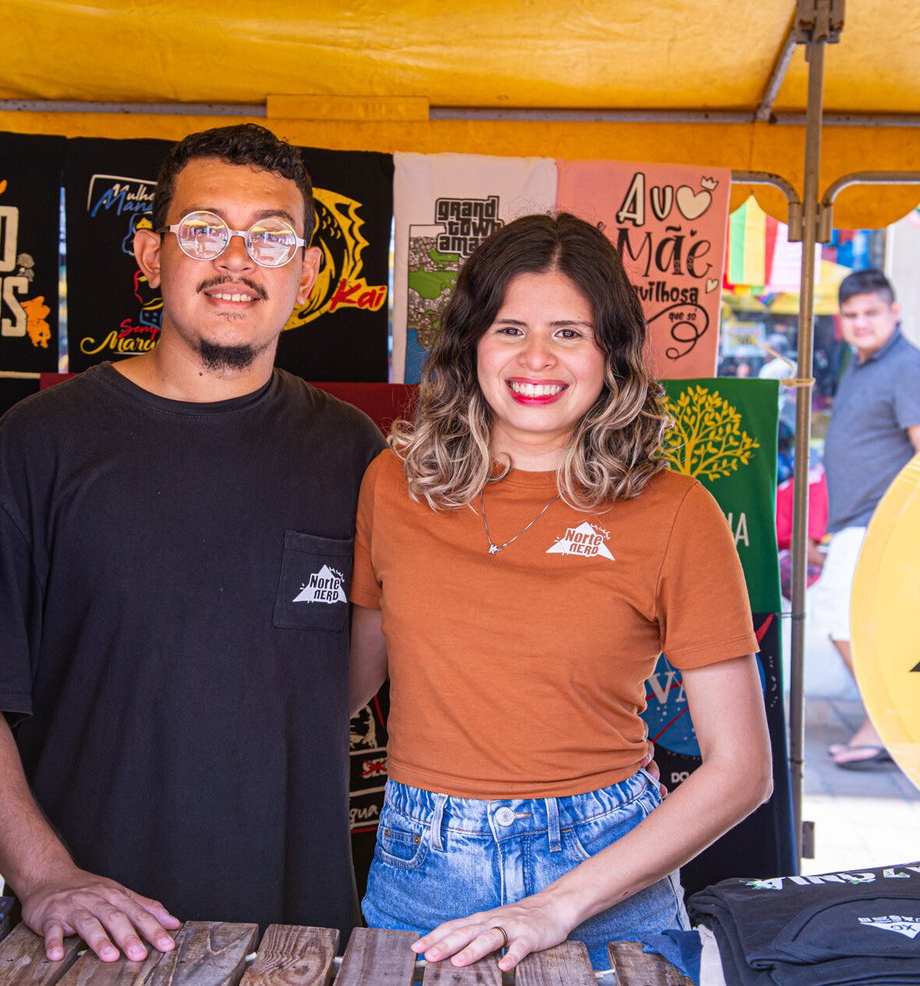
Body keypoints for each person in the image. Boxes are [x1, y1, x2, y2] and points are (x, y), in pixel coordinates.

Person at [0, 124, 384, 964]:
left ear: (304, 273)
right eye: (205, 230)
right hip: (96, 945)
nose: (237, 260)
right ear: (152, 256)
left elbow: (343, 678)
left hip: (296, 939)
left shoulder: (354, 452)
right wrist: (47, 875)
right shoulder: (40, 445)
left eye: (270, 237)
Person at [347, 213, 772, 972]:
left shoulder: (676, 510)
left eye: (569, 333)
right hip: (424, 861)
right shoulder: (393, 484)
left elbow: (743, 769)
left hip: (607, 864)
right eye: (510, 329)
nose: (536, 357)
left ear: (612, 352)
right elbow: (342, 687)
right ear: (470, 343)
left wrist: (558, 905)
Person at [816, 269, 920, 769]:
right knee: (856, 624)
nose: (861, 323)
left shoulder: (910, 367)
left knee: (838, 616)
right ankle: (891, 720)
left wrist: (908, 528)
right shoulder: (862, 363)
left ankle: (889, 723)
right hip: (856, 521)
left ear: (895, 311)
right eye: (851, 315)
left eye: (871, 312)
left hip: (881, 522)